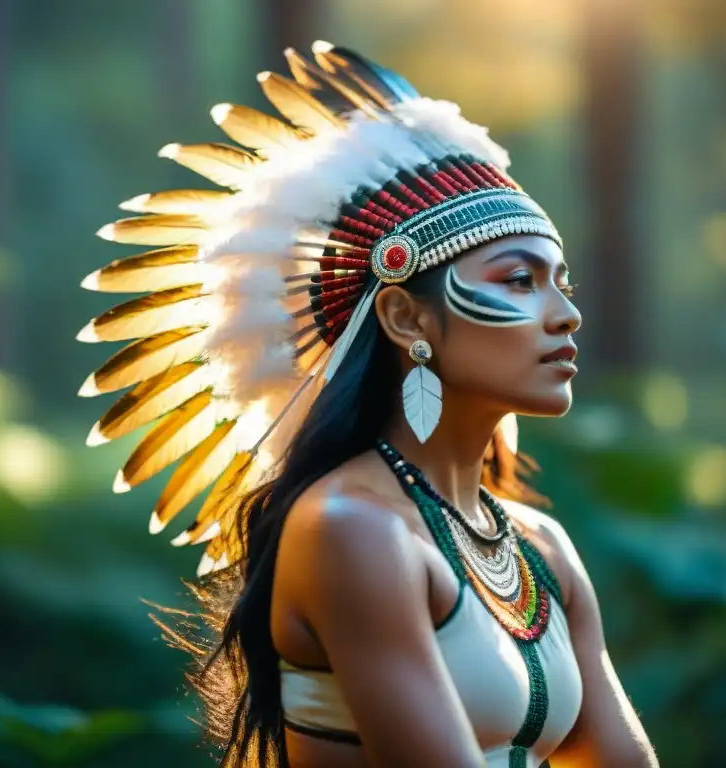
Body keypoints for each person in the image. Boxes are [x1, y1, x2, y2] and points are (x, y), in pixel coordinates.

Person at [78, 41, 659, 768]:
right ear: (407, 319)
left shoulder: (541, 550)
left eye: (560, 283)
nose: (565, 314)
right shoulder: (350, 530)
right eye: (518, 281)